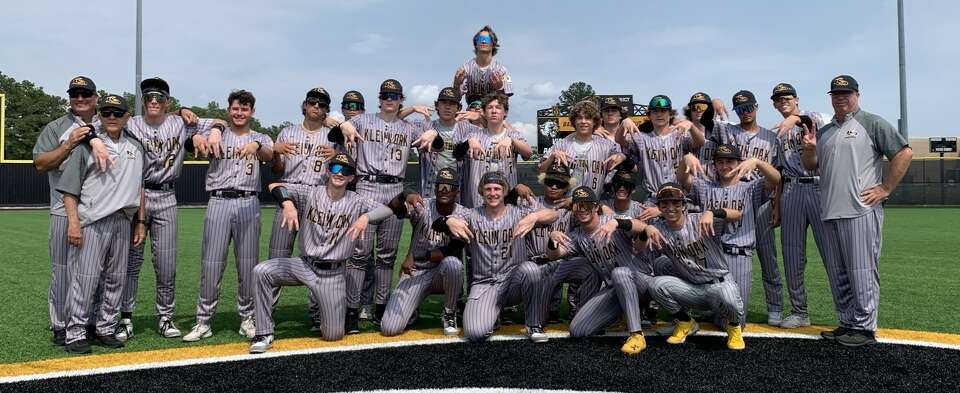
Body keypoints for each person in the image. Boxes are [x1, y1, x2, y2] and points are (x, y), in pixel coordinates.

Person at [249, 153, 409, 353]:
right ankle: (263, 332)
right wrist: (288, 204)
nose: (339, 173)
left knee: (333, 334)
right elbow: (274, 186)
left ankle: (324, 314)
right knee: (262, 271)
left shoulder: (357, 200)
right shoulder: (311, 192)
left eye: (346, 171)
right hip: (304, 265)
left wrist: (365, 217)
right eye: (335, 168)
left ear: (352, 177)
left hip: (332, 275)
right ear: (327, 171)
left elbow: (389, 210)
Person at [801, 75, 912, 346]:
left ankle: (864, 328)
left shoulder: (871, 122)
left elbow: (904, 153)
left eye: (846, 93)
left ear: (857, 95)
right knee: (838, 272)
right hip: (829, 210)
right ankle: (847, 322)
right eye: (836, 94)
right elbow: (810, 166)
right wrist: (810, 149)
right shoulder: (825, 131)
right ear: (831, 97)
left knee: (861, 270)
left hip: (860, 209)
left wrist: (885, 188)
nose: (841, 97)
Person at [332, 79, 440, 332]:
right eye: (385, 95)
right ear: (379, 98)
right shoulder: (362, 120)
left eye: (394, 96)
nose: (389, 99)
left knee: (386, 255)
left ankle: (381, 305)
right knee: (358, 255)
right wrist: (344, 123)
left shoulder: (409, 127)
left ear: (401, 99)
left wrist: (432, 133)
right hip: (366, 185)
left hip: (395, 189)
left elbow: (434, 140)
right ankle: (352, 309)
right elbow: (337, 131)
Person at [118, 77, 217, 341]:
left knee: (166, 264)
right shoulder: (130, 123)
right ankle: (125, 317)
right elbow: (98, 124)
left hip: (166, 196)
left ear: (167, 101)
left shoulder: (180, 123)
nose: (153, 101)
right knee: (131, 262)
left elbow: (221, 122)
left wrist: (213, 130)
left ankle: (165, 316)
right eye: (149, 97)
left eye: (159, 98)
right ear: (142, 100)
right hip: (134, 196)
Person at [182, 90, 275, 342]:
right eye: (235, 108)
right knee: (211, 264)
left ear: (252, 112)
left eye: (244, 109)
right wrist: (202, 134)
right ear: (228, 110)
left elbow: (270, 155)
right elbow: (185, 126)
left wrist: (256, 146)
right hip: (219, 200)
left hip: (248, 201)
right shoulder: (218, 129)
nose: (239, 113)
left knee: (248, 265)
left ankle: (247, 318)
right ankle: (203, 321)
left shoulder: (261, 136)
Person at [57, 94, 146, 354]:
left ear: (127, 117)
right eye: (106, 113)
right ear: (100, 115)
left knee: (115, 279)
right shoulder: (87, 144)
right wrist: (73, 223)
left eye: (118, 113)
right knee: (85, 279)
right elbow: (69, 190)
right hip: (92, 221)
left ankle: (105, 328)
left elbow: (139, 186)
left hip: (123, 220)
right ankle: (75, 333)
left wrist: (140, 221)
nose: (112, 118)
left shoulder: (136, 147)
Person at [33, 75, 112, 346]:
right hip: (63, 209)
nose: (80, 99)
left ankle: (89, 322)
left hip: (99, 210)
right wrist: (68, 144)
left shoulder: (109, 124)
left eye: (85, 94)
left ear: (95, 97)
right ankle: (61, 323)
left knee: (96, 271)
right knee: (63, 269)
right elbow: (40, 163)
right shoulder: (57, 127)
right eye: (75, 94)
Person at [435, 171, 558, 342]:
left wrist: (534, 216)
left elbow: (554, 214)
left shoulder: (518, 212)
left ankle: (533, 324)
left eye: (497, 189)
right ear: (481, 192)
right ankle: (493, 313)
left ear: (505, 191)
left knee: (531, 270)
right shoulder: (471, 215)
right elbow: (440, 224)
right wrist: (447, 220)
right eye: (488, 189)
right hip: (484, 284)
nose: (493, 193)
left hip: (513, 281)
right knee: (475, 333)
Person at [698, 90, 784, 326]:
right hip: (732, 194)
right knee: (718, 249)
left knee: (768, 257)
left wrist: (776, 205)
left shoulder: (770, 137)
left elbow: (778, 174)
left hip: (761, 196)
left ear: (756, 107)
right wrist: (712, 101)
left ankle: (775, 307)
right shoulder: (727, 130)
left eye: (748, 108)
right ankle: (714, 304)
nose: (745, 112)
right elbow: (703, 120)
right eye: (740, 109)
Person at [677, 144, 781, 327]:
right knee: (718, 315)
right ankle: (708, 309)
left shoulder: (751, 188)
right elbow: (683, 179)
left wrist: (757, 162)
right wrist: (685, 159)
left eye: (730, 162)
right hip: (711, 257)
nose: (725, 166)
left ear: (739, 163)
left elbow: (776, 178)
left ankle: (717, 312)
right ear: (715, 165)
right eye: (720, 162)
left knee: (735, 322)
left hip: (739, 255)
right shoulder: (706, 187)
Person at [545, 186, 657, 355]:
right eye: (578, 206)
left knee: (619, 273)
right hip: (616, 288)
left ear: (596, 207)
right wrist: (552, 240)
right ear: (573, 209)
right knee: (578, 330)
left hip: (642, 282)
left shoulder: (612, 219)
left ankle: (636, 334)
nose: (583, 210)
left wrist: (617, 222)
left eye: (588, 205)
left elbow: (643, 228)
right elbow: (555, 255)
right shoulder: (577, 236)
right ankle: (617, 316)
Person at [645, 183, 748, 350]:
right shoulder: (659, 229)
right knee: (655, 284)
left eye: (676, 204)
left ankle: (734, 327)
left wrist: (712, 212)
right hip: (691, 289)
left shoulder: (701, 220)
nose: (671, 208)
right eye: (665, 204)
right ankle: (685, 322)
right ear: (659, 207)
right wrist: (646, 227)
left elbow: (738, 214)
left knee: (729, 298)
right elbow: (639, 242)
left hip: (718, 285)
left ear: (684, 206)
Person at [767, 82, 834, 329]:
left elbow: (814, 120)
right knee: (792, 254)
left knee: (831, 252)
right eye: (778, 99)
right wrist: (776, 206)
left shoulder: (813, 118)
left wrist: (795, 119)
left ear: (796, 99)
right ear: (774, 104)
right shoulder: (777, 134)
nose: (783, 101)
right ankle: (799, 311)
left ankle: (845, 312)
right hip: (791, 189)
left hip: (818, 186)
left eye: (787, 97)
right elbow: (778, 172)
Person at [381, 167, 468, 337]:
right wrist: (404, 194)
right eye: (440, 186)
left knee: (453, 264)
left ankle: (450, 312)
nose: (443, 190)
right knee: (389, 328)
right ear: (434, 188)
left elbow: (452, 249)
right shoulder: (422, 205)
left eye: (449, 187)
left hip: (442, 273)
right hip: (415, 272)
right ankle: (412, 308)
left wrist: (414, 256)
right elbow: (394, 209)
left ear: (457, 191)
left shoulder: (463, 214)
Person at [616, 95, 702, 220]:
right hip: (653, 199)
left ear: (670, 114)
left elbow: (700, 142)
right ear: (649, 115)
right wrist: (624, 123)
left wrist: (692, 126)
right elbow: (620, 140)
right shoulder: (642, 138)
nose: (659, 114)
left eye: (663, 111)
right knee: (652, 235)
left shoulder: (680, 133)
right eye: (655, 111)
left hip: (678, 196)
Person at [453, 92, 532, 208]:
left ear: (505, 112)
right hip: (476, 203)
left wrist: (512, 141)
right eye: (490, 107)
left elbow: (528, 153)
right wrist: (468, 142)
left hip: (507, 204)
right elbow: (456, 154)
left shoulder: (513, 134)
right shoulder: (473, 135)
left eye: (498, 107)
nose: (494, 111)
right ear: (484, 112)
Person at [539, 100, 625, 197]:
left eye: (588, 118)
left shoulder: (607, 146)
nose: (583, 121)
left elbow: (622, 157)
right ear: (574, 121)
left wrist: (621, 156)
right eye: (579, 118)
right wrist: (552, 157)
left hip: (594, 204)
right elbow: (542, 170)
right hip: (565, 205)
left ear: (594, 122)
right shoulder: (561, 145)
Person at [454, 25, 512, 100]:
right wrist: (456, 84)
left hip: (493, 110)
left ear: (493, 44)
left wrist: (499, 88)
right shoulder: (464, 69)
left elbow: (506, 98)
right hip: (471, 109)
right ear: (476, 44)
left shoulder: (503, 70)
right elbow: (456, 98)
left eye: (487, 39)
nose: (483, 41)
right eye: (480, 39)